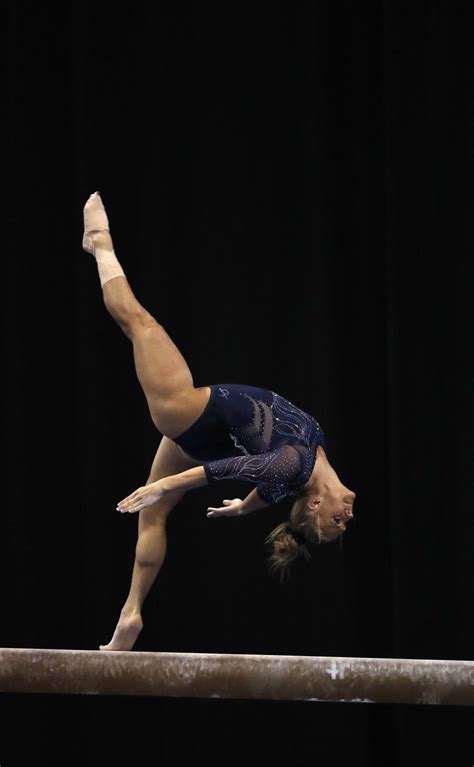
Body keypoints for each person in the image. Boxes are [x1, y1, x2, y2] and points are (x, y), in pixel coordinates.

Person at [82, 191, 356, 651]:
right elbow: (256, 489)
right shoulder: (294, 474)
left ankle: (100, 243)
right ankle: (131, 613)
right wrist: (240, 510)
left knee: (140, 324)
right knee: (152, 518)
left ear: (314, 507)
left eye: (336, 522)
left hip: (189, 410)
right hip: (202, 435)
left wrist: (164, 485)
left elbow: (221, 472)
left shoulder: (296, 466)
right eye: (344, 523)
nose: (346, 518)